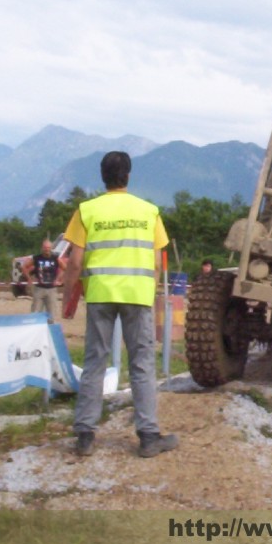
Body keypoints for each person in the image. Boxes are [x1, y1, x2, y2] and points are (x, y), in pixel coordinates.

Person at [62, 151, 178, 458]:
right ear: (128, 175)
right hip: (137, 295)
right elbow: (156, 263)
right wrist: (149, 291)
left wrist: (68, 298)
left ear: (102, 176)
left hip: (99, 293)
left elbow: (74, 261)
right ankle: (149, 437)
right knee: (141, 365)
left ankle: (85, 436)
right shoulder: (149, 211)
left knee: (94, 363)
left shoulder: (87, 210)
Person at [23, 239, 67, 323]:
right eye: (45, 248)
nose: (47, 249)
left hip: (51, 289)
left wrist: (58, 279)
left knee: (52, 314)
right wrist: (29, 279)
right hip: (39, 288)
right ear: (42, 248)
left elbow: (65, 268)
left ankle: (50, 330)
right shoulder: (36, 258)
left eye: (48, 248)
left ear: (51, 248)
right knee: (35, 311)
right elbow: (24, 267)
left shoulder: (55, 258)